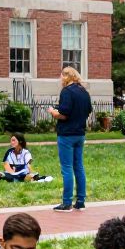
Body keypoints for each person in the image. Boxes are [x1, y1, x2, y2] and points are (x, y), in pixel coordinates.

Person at [49, 66, 92, 211]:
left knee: (66, 168)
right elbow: (88, 110)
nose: (60, 79)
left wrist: (53, 112)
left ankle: (66, 202)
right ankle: (80, 200)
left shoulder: (67, 91)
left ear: (67, 76)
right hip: (80, 133)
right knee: (79, 167)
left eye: (61, 76)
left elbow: (64, 113)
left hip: (66, 134)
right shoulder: (83, 91)